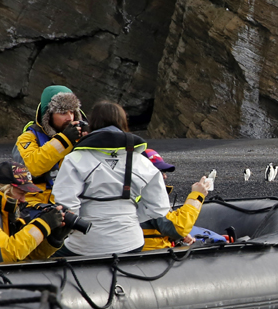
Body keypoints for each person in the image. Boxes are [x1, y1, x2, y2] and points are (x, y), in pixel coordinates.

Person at [51, 101, 171, 256]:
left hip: (85, 245)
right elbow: (160, 207)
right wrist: (130, 217)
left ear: (92, 123)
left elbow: (65, 203)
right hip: (130, 242)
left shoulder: (74, 159)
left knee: (51, 256)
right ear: (123, 122)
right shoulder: (141, 161)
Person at [0, 162, 70, 264]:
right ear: (4, 189)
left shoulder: (6, 210)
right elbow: (6, 255)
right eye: (21, 193)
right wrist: (43, 224)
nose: (23, 200)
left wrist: (53, 239)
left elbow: (22, 257)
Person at [13, 85, 87, 206]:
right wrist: (64, 140)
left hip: (74, 202)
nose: (70, 118)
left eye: (72, 112)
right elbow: (32, 168)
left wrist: (90, 139)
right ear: (48, 115)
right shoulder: (28, 138)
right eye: (63, 112)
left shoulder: (81, 136)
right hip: (37, 204)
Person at [139, 149, 210, 250]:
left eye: (164, 172)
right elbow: (180, 227)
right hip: (149, 257)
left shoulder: (135, 193)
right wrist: (197, 195)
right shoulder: (147, 198)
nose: (165, 176)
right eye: (160, 172)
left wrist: (176, 238)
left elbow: (162, 225)